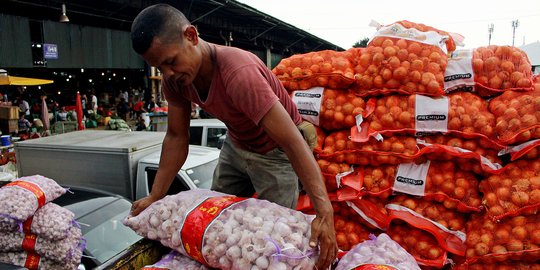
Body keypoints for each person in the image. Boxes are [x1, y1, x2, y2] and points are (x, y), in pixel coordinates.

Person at [129, 4, 337, 269]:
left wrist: (324, 212)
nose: (168, 74)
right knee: (215, 219)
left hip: (275, 152)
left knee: (274, 238)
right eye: (159, 67)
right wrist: (155, 195)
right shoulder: (175, 80)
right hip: (236, 144)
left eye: (170, 62)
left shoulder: (239, 73)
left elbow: (292, 142)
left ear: (191, 36)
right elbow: (176, 137)